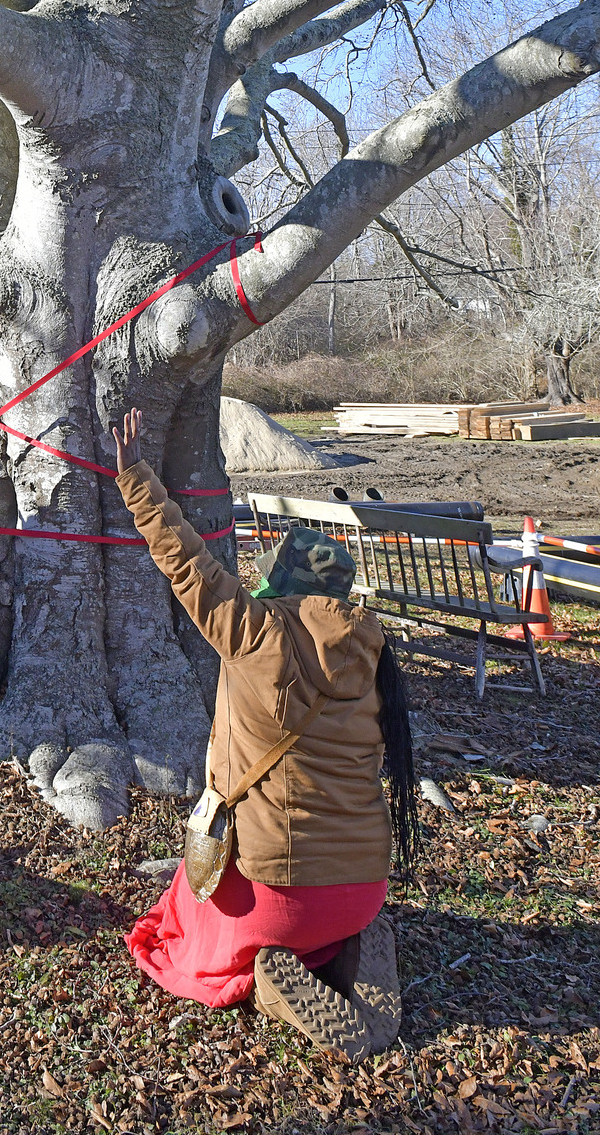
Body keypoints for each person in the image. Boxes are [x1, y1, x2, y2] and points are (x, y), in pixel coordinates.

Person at [113, 408, 417, 1058]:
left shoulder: (256, 633)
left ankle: (269, 975)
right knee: (329, 906)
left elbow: (184, 560)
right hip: (363, 885)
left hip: (281, 895)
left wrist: (135, 474)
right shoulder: (371, 651)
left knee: (184, 930)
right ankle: (352, 945)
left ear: (277, 584)